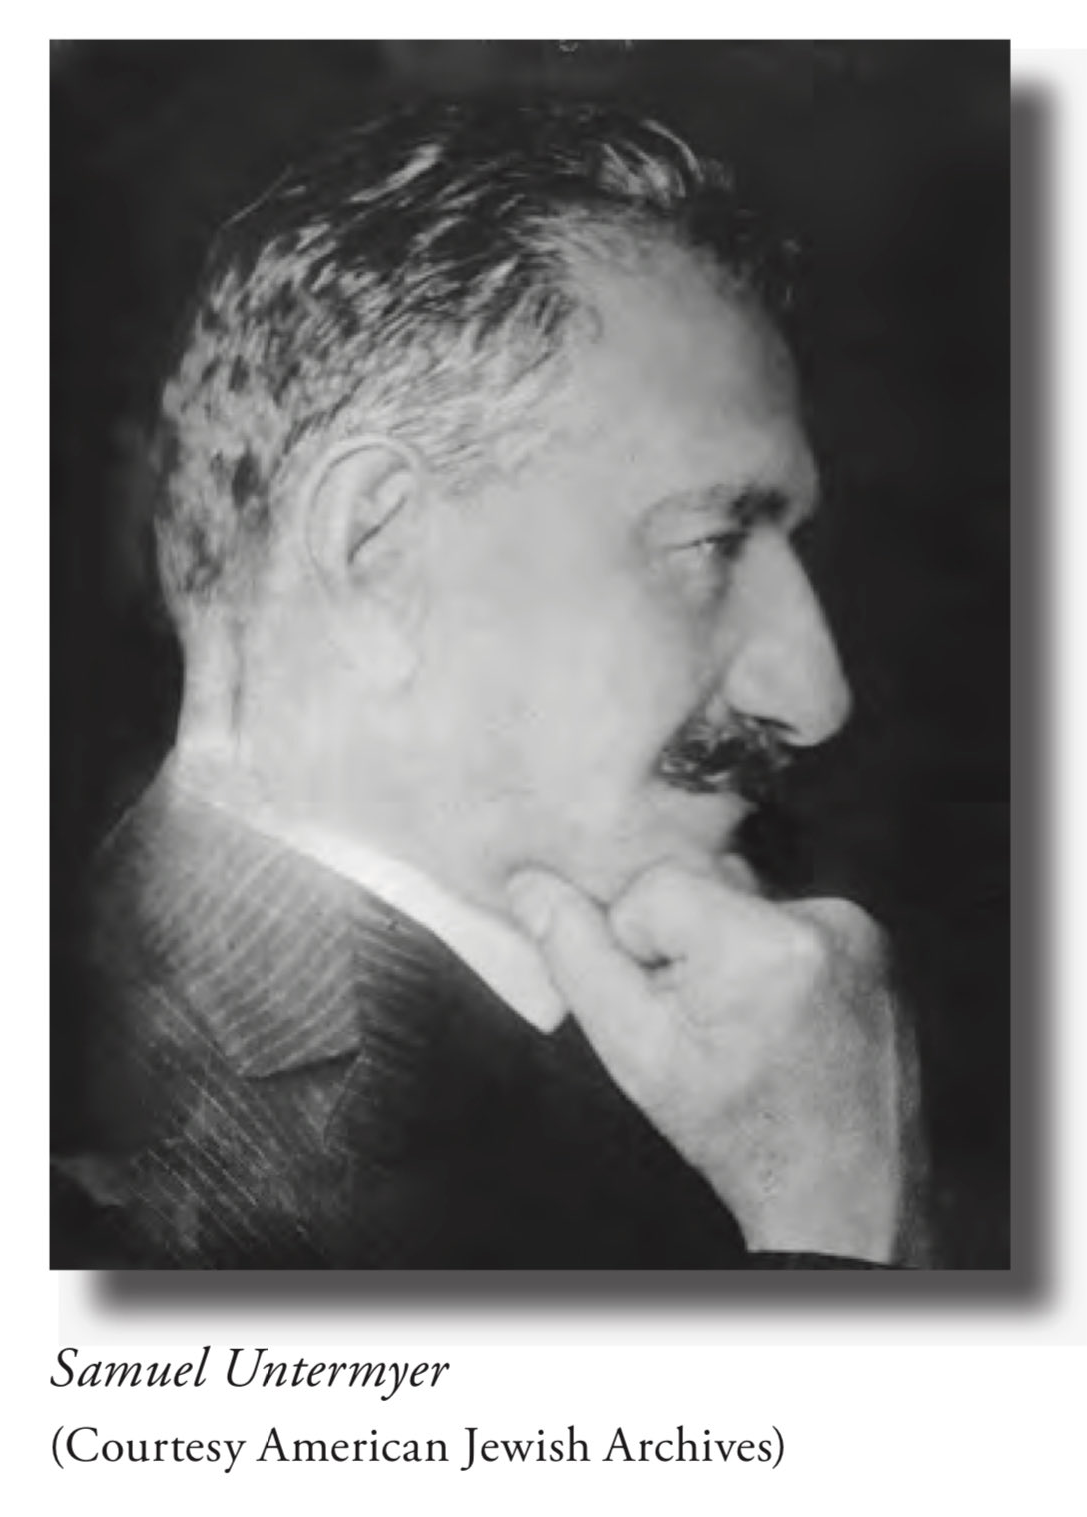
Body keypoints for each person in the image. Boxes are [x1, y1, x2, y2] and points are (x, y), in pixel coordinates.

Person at [52, 100, 926, 1269]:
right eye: (714, 542)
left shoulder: (713, 1014)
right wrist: (835, 1214)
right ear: (376, 553)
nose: (815, 697)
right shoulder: (97, 1171)